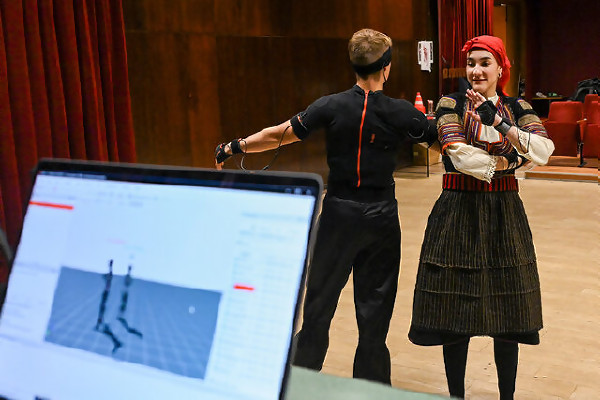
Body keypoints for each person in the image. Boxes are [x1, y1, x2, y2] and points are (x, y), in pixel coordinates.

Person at [215, 28, 437, 384]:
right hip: (381, 218)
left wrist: (233, 147)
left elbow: (276, 135)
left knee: (317, 310)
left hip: (337, 216)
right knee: (374, 316)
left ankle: (299, 384)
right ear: (386, 67)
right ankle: (371, 390)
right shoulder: (402, 113)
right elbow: (447, 142)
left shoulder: (330, 106)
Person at [408, 35, 555, 399]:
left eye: (485, 63)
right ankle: (456, 394)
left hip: (505, 213)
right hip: (457, 210)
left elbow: (543, 150)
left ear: (501, 69)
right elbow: (457, 153)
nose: (476, 70)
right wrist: (512, 160)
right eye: (471, 63)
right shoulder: (451, 103)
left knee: (508, 313)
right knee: (454, 312)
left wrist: (502, 125)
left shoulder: (517, 107)